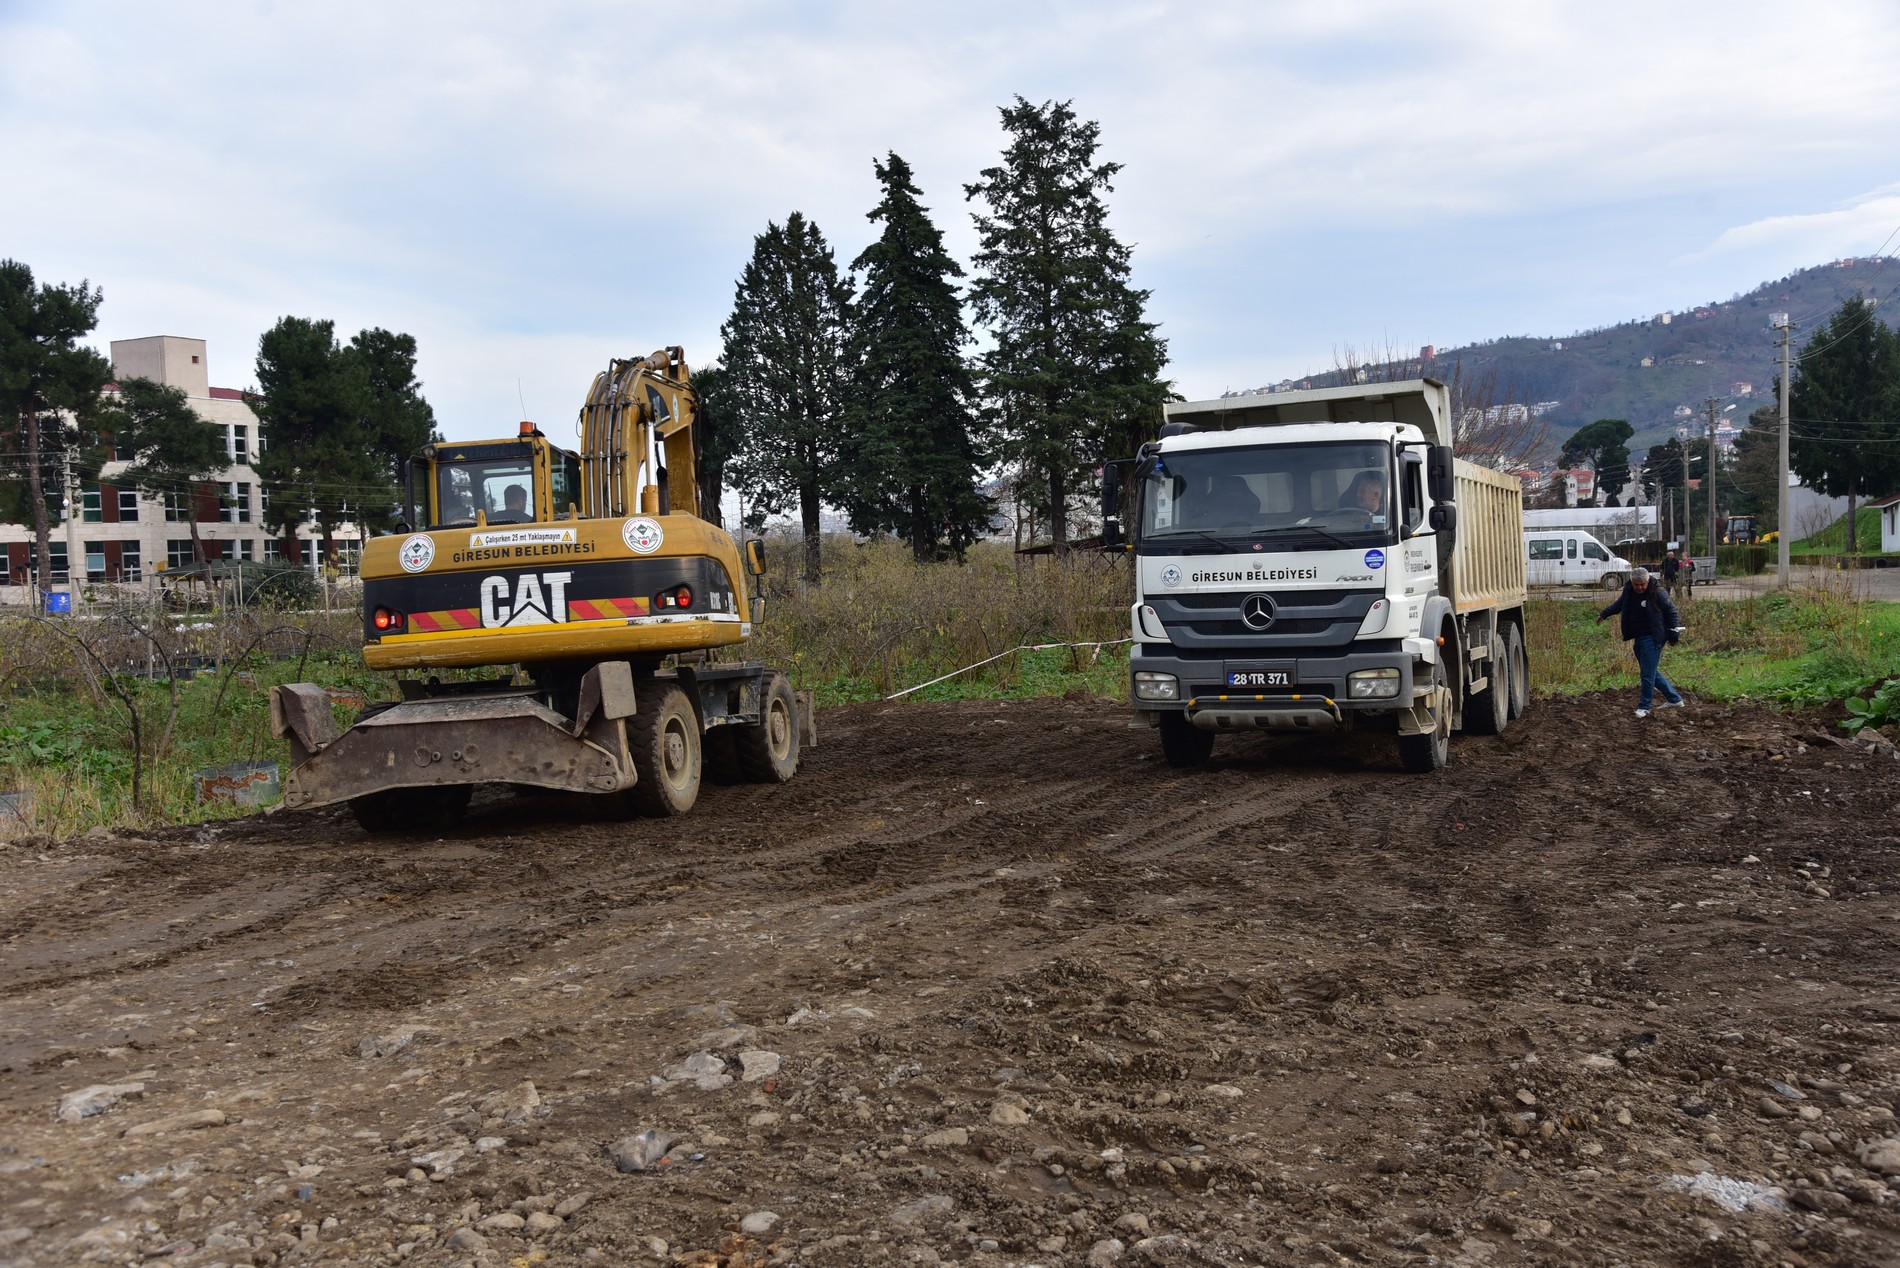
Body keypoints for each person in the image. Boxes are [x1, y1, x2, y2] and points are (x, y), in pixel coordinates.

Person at [1597, 567, 1686, 718]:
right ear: (1631, 582)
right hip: (1638, 636)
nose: (1639, 588)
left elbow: (1672, 612)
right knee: (1650, 671)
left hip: (1653, 636)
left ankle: (1644, 707)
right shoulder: (1629, 590)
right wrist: (1605, 614)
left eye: (1642, 585)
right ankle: (1674, 699)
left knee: (1646, 673)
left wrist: (1673, 633)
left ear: (1647, 581)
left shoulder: (1657, 592)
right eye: (1636, 584)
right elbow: (1620, 604)